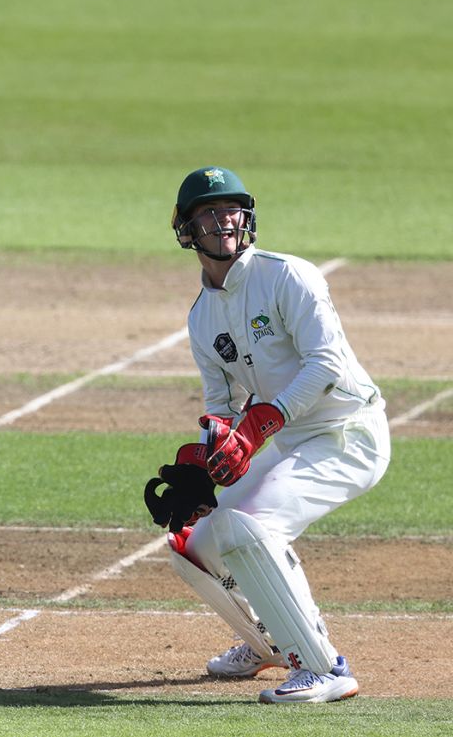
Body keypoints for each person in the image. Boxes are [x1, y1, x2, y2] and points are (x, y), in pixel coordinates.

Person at [144, 166, 390, 703]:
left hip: (348, 433)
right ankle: (268, 642)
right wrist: (204, 466)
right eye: (208, 211)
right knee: (197, 540)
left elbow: (325, 364)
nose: (223, 218)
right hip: (292, 438)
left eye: (230, 207)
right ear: (186, 229)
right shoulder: (202, 317)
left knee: (249, 525)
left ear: (246, 215)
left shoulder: (287, 276)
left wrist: (262, 422)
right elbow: (220, 407)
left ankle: (324, 668)